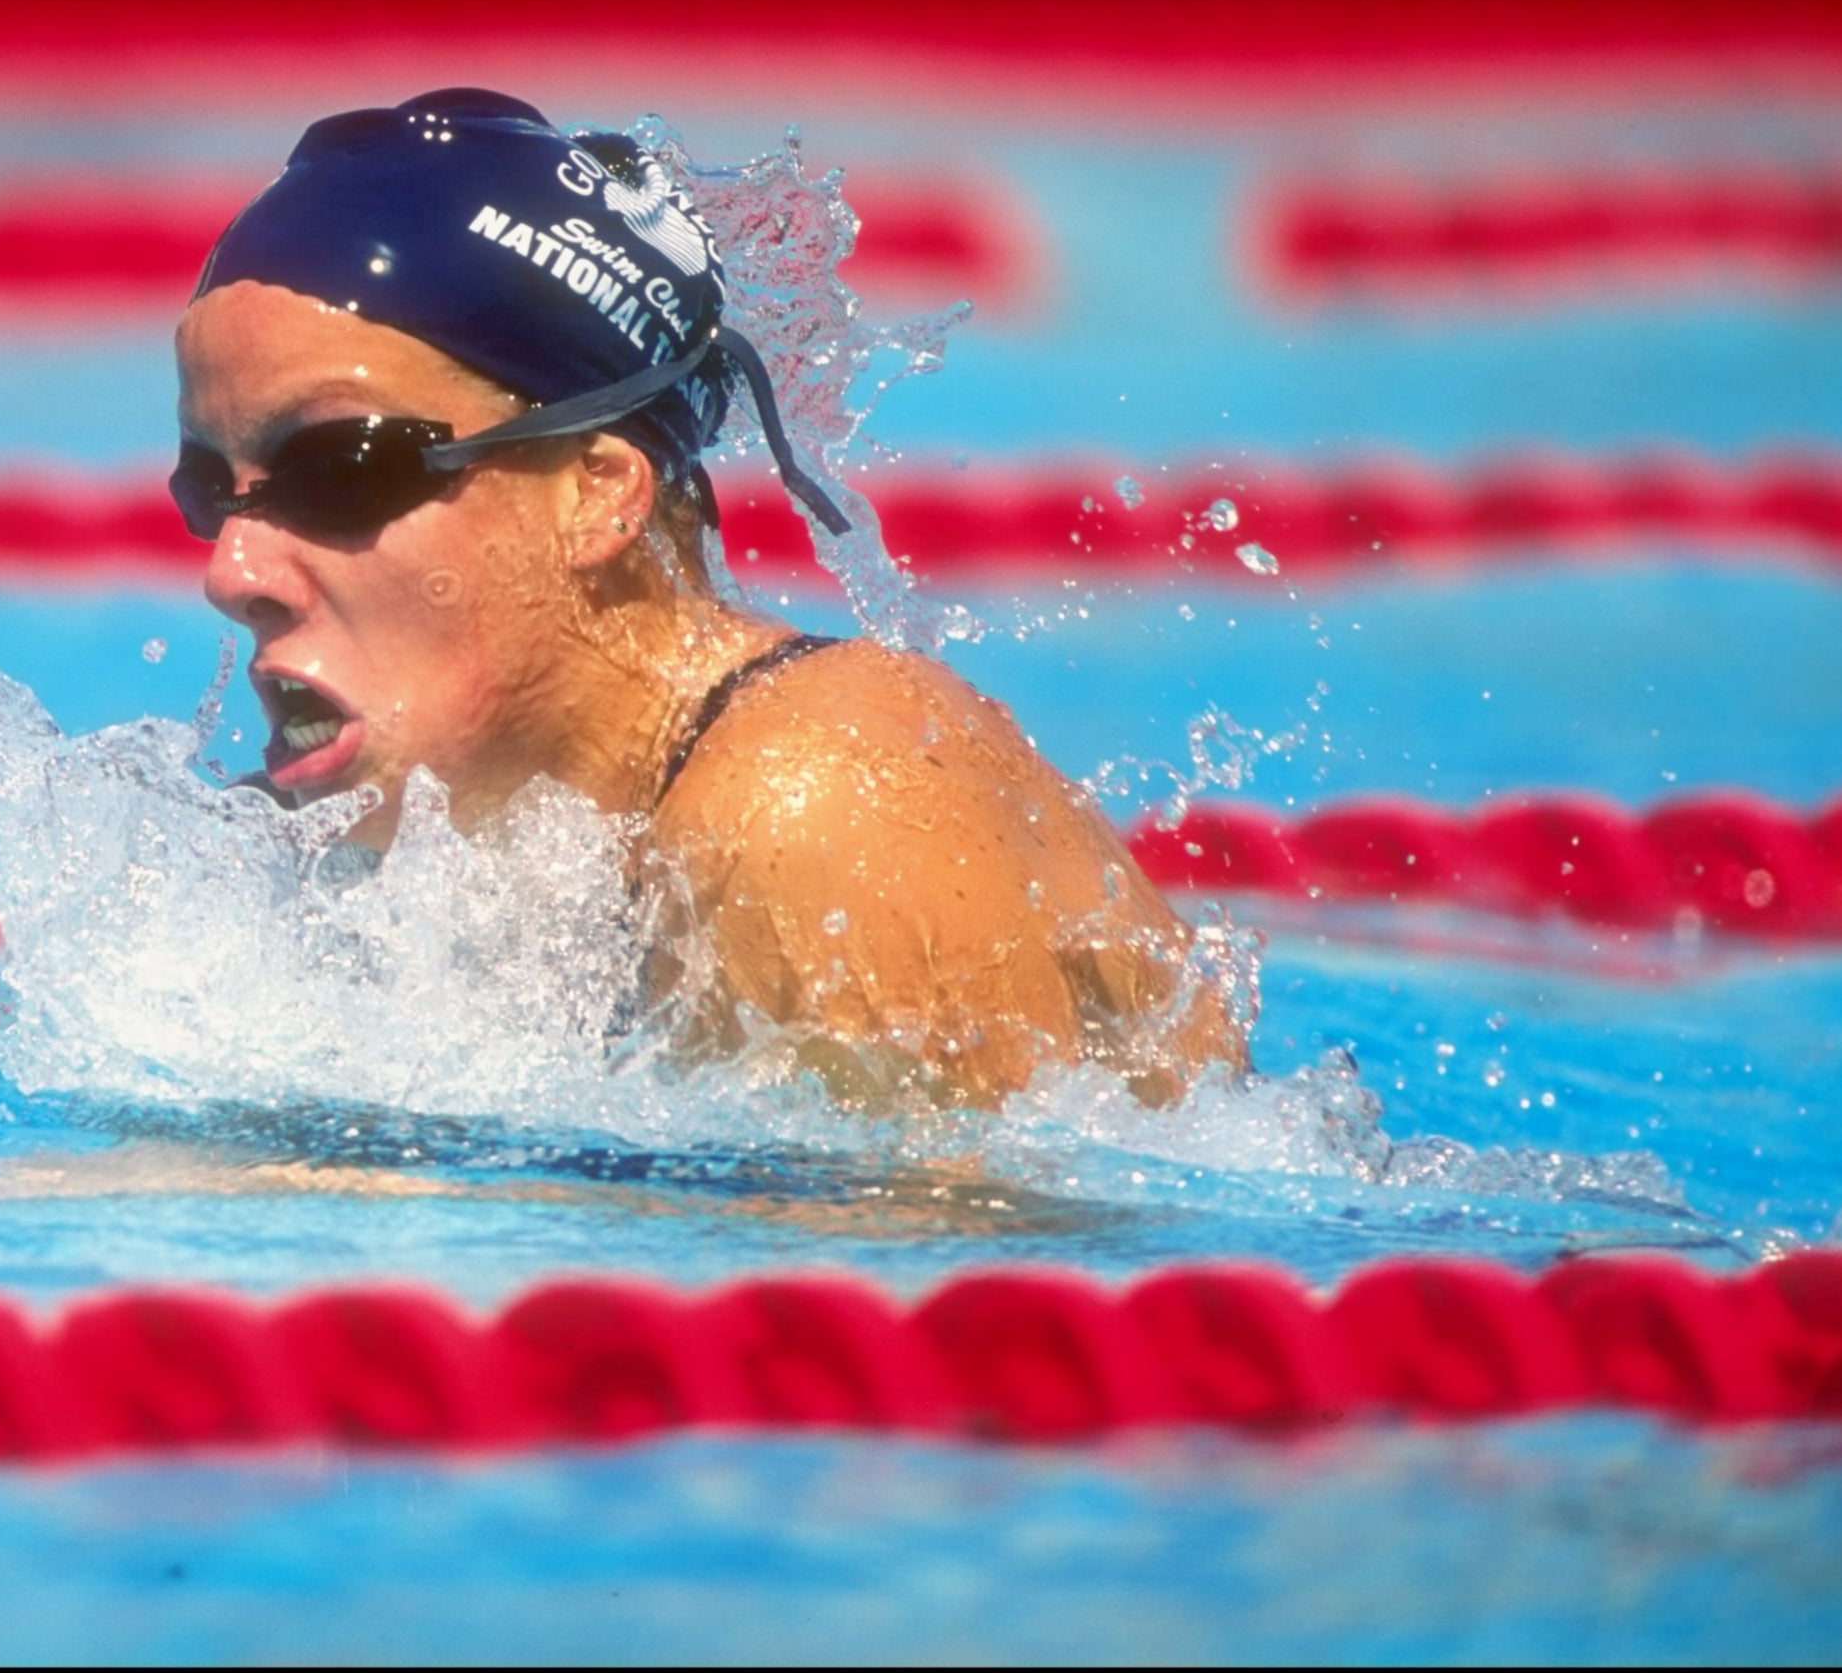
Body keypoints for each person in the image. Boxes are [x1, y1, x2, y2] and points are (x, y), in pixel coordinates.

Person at [171, 89, 1243, 1109]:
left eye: (341, 469)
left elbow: (972, 1291)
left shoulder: (813, 810)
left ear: (597, 496)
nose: (235, 574)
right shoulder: (409, 850)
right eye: (211, 491)